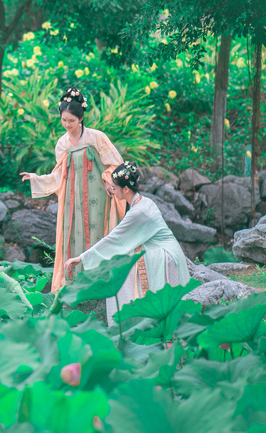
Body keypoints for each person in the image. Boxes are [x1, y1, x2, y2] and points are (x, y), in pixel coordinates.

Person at [20, 87, 127, 294]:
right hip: (73, 199)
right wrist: (36, 178)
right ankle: (75, 282)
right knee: (73, 235)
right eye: (64, 120)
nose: (67, 124)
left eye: (71, 120)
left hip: (98, 196)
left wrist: (108, 179)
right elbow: (59, 175)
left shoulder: (96, 137)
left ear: (81, 118)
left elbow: (116, 163)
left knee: (98, 233)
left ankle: (101, 281)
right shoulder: (62, 143)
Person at [65, 161, 190, 325]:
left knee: (124, 262)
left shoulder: (139, 212)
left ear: (125, 189)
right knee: (128, 253)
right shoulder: (144, 202)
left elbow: (115, 239)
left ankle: (130, 319)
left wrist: (81, 258)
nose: (112, 190)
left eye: (114, 187)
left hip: (165, 254)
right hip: (168, 249)